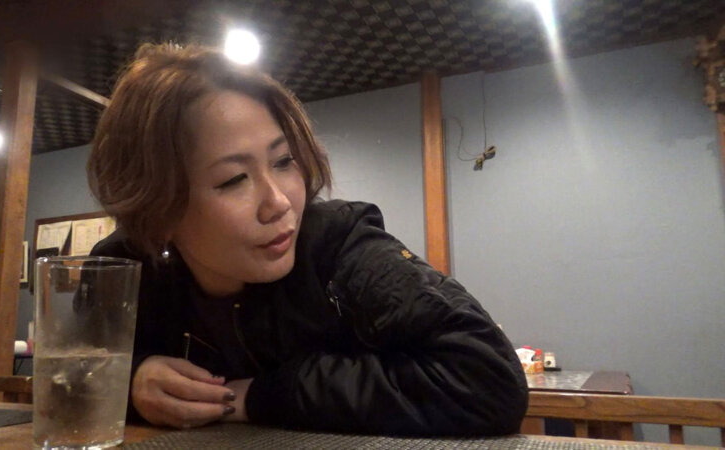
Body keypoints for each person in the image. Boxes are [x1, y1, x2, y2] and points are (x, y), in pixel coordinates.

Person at [87, 43, 527, 436]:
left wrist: (262, 396)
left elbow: (488, 379)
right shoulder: (123, 271)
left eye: (283, 161)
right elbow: (71, 378)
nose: (279, 203)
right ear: (158, 210)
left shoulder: (339, 243)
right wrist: (131, 381)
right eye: (233, 179)